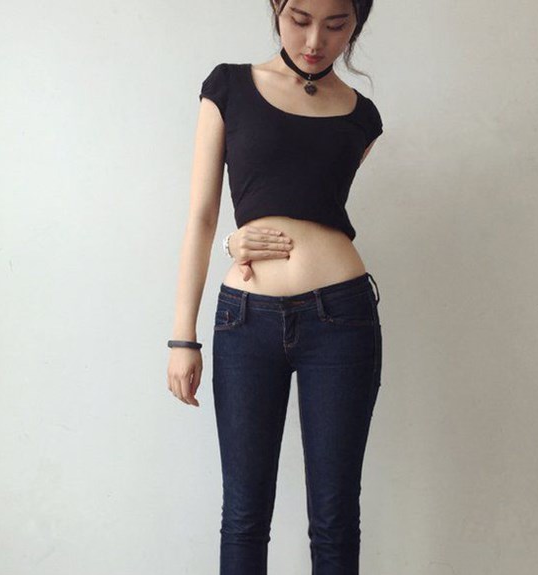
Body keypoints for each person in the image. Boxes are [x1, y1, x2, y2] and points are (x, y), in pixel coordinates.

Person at [168, 1, 384, 573]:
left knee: (335, 519)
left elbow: (313, 201)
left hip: (341, 318)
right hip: (246, 319)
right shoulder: (229, 88)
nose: (315, 40)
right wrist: (183, 336)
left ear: (356, 23)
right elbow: (202, 217)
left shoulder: (363, 117)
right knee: (244, 514)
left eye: (336, 25)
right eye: (300, 19)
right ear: (276, 9)